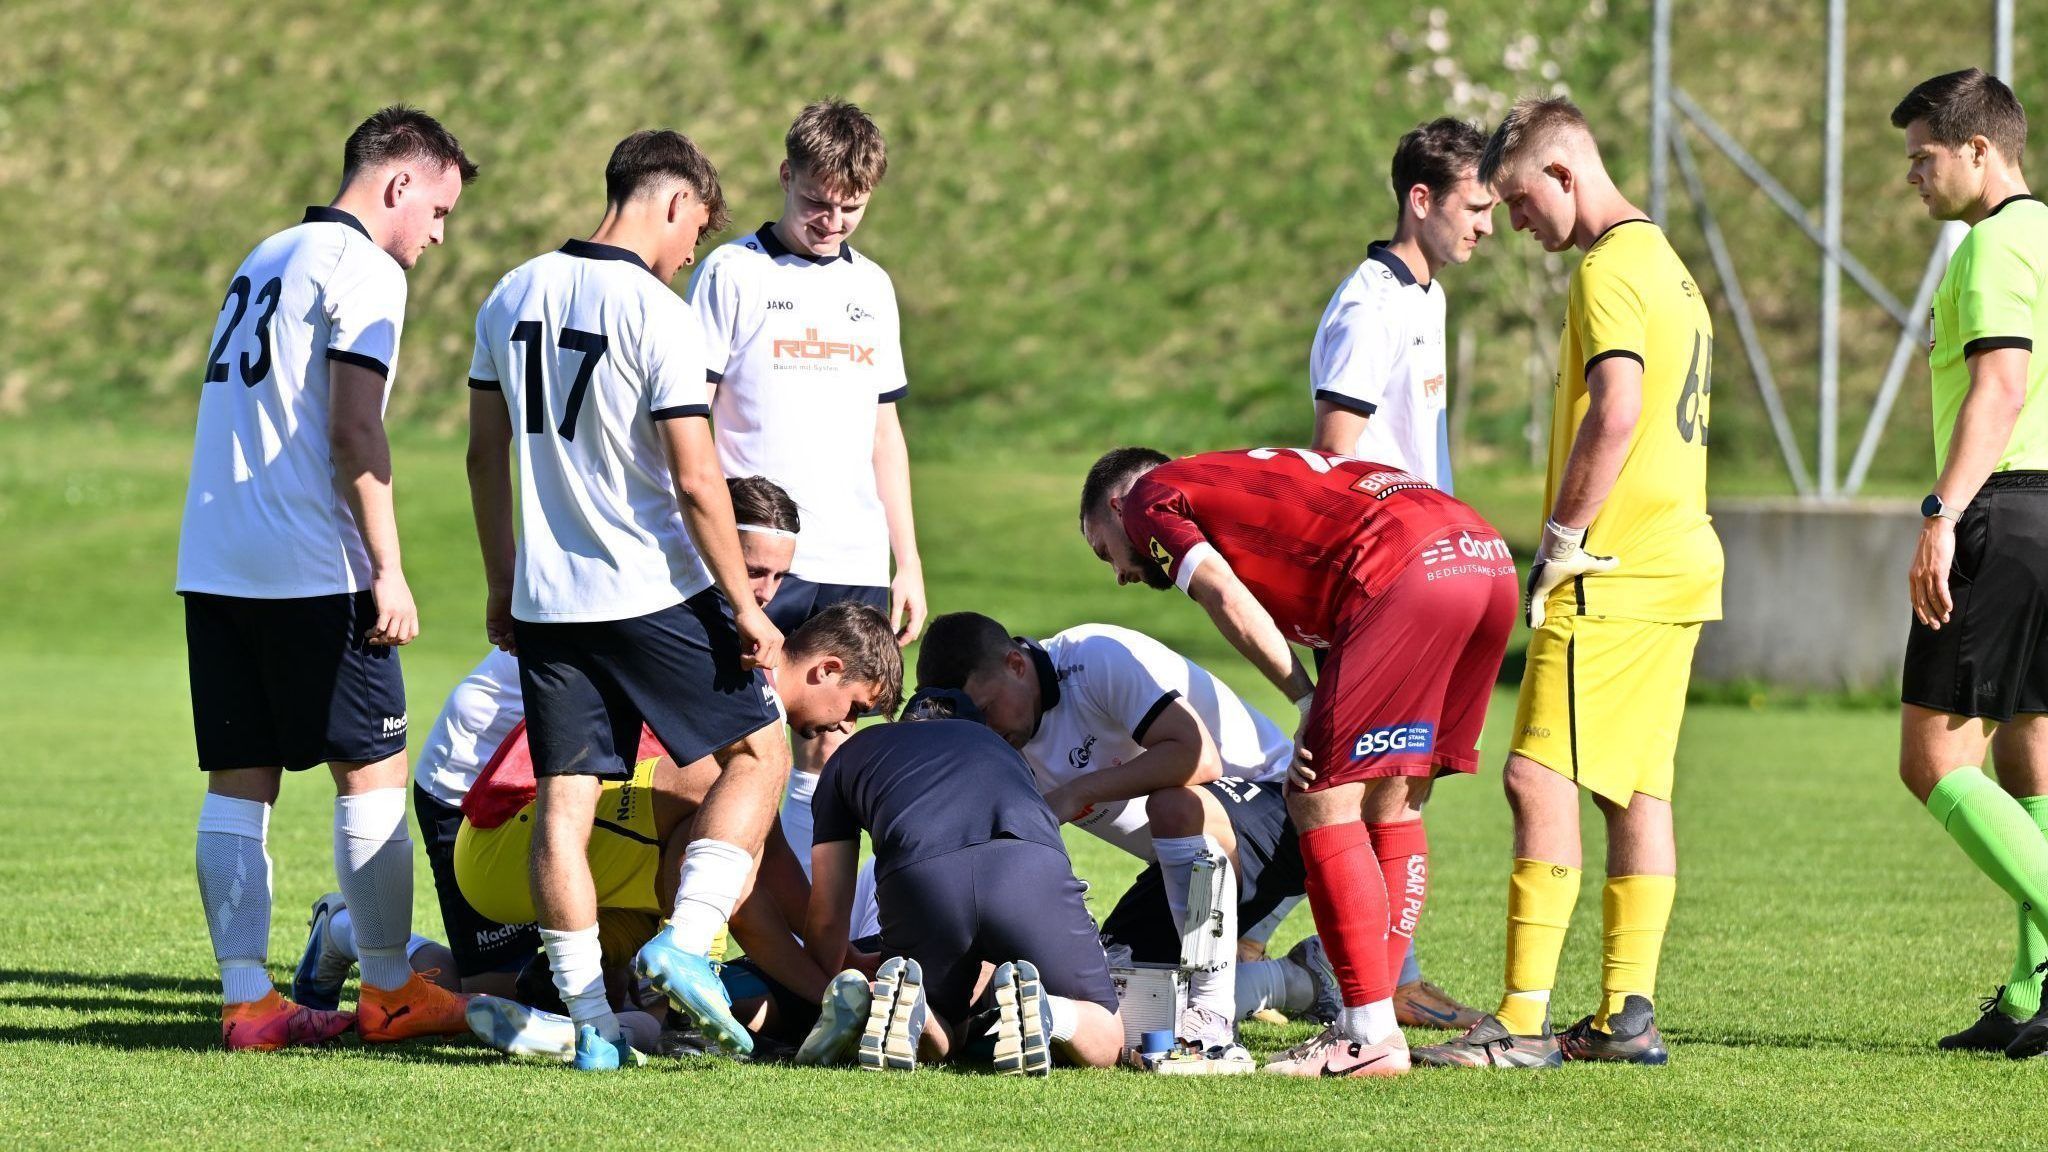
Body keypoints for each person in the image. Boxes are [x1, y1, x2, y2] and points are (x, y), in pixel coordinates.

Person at [465, 129, 790, 1069]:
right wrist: (745, 605)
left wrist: (502, 583)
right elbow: (697, 481)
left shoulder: (509, 291)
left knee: (564, 806)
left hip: (548, 601)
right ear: (676, 201)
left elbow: (486, 456)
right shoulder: (659, 311)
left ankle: (595, 1030)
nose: (692, 253)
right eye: (697, 233)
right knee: (759, 752)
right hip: (648, 587)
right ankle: (687, 944)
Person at [1413, 96, 1722, 1070]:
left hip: (1612, 571)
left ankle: (1516, 1021)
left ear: (1561, 176)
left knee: (1532, 774)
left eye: (1514, 200)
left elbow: (1617, 411)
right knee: (1635, 792)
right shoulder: (1667, 267)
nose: (1511, 223)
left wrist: (1557, 539)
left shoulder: (1606, 270)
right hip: (1678, 563)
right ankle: (1625, 1014)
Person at [175, 105, 478, 1050]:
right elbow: (357, 429)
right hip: (314, 565)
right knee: (372, 774)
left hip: (218, 560)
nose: (436, 234)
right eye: (438, 210)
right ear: (399, 184)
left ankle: (246, 1000)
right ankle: (389, 988)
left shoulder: (266, 252)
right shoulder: (366, 269)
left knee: (238, 782)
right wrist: (389, 569)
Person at [1079, 446, 1517, 1077]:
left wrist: (1305, 700)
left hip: (1404, 563)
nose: (1118, 572)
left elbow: (1220, 592)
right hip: (1483, 555)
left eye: (1105, 550)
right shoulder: (1235, 493)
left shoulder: (1152, 497)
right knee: (1397, 795)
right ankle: (1376, 1011)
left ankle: (1367, 1033)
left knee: (1319, 794)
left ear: (1120, 507)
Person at [294, 478, 804, 1004]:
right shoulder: (661, 610)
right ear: (709, 544)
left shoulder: (697, 613)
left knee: (546, 990)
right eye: (752, 570)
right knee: (497, 991)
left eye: (779, 575)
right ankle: (342, 929)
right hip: (473, 786)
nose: (765, 591)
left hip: (562, 791)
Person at [454, 605, 903, 1066]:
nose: (846, 726)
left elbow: (776, 865)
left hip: (530, 849)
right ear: (828, 669)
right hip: (509, 835)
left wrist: (839, 960)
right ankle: (690, 1015)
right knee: (716, 828)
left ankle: (562, 1000)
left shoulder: (753, 702)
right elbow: (749, 892)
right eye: (856, 708)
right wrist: (821, 991)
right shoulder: (743, 695)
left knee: (721, 849)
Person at [915, 611, 1339, 1071]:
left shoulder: (1093, 657)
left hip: (1285, 810)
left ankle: (1214, 1028)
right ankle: (1299, 979)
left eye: (989, 707)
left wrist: (1076, 792)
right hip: (1189, 867)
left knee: (1173, 807)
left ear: (1016, 664)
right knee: (1119, 998)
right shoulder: (1001, 742)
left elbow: (1197, 759)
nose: (989, 728)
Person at [1305, 117, 1500, 1032]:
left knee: (1409, 774)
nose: (1488, 225)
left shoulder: (1428, 294)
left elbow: (1426, 444)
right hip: (1383, 575)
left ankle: (1392, 969)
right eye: (1474, 205)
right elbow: (1335, 460)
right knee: (1360, 775)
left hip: (1433, 563)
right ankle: (1367, 975)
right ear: (1419, 201)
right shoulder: (1368, 307)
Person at [689, 99, 925, 792]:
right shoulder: (732, 273)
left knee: (833, 746)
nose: (832, 223)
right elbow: (689, 418)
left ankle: (822, 905)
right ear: (786, 175)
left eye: (851, 209)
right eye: (818, 203)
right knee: (738, 749)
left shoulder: (871, 287)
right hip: (758, 559)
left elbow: (885, 432)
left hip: (854, 556)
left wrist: (905, 562)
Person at [1885, 70, 2048, 1060]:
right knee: (2031, 753)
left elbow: (1997, 384)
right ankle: (2032, 994)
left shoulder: (1991, 245)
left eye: (1923, 156)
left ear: (1979, 151)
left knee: (1933, 760)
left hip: (2004, 513)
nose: (1912, 175)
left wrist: (1941, 515)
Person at [800, 689, 1126, 1075]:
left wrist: (815, 996)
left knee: (946, 1034)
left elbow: (828, 912)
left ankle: (912, 1007)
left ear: (902, 726)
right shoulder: (1002, 749)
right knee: (1108, 1033)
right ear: (976, 726)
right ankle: (1049, 1010)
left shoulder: (851, 754)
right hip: (1026, 864)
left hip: (921, 876)